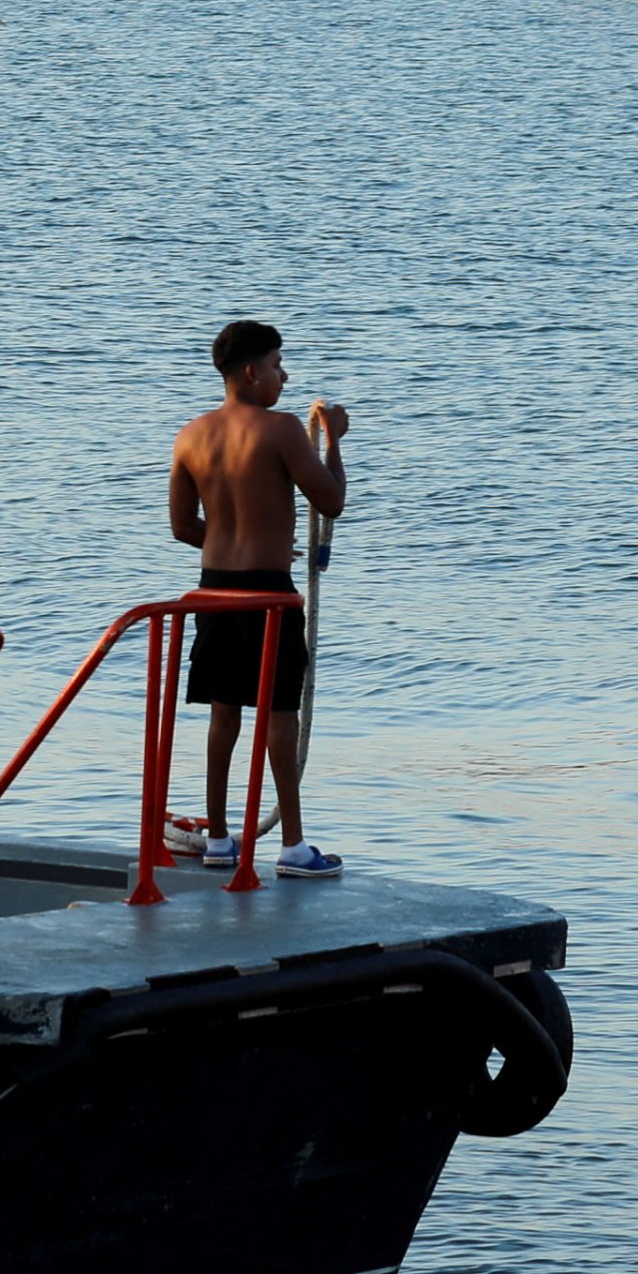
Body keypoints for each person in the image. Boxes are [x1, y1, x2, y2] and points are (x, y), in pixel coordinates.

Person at [168, 319, 350, 878]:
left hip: (214, 587)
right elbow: (331, 500)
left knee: (224, 713)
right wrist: (335, 440)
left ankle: (220, 838)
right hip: (269, 594)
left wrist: (233, 546)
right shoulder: (283, 429)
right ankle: (293, 846)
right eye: (276, 365)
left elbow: (181, 526)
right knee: (278, 716)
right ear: (250, 372)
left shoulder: (191, 434)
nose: (283, 376)